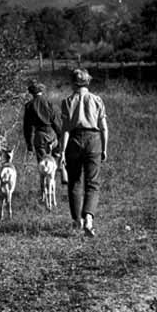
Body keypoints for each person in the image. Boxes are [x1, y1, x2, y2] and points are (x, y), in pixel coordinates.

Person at [59, 69, 108, 237]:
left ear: (73, 83)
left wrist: (62, 151)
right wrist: (105, 148)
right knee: (92, 182)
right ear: (88, 82)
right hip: (93, 139)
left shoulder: (67, 101)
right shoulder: (97, 100)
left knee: (74, 182)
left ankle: (76, 220)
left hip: (73, 140)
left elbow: (65, 129)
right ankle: (88, 218)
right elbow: (104, 128)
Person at [22, 80, 64, 193]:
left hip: (39, 136)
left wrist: (29, 145)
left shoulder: (29, 106)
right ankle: (52, 190)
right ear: (41, 90)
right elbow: (56, 123)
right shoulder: (49, 103)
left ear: (31, 92)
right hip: (52, 135)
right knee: (52, 165)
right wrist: (60, 140)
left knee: (42, 166)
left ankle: (44, 192)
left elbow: (28, 128)